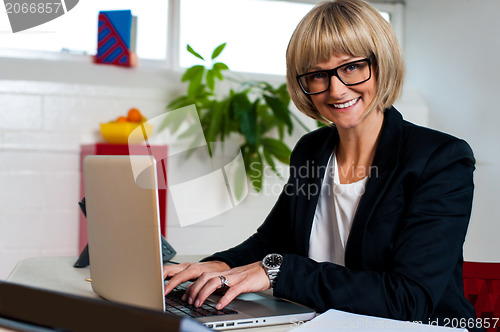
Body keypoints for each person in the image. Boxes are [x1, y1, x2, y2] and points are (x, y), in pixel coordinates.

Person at [164, 0, 479, 329]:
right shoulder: (311, 150)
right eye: (317, 75)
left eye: (352, 67)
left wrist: (278, 272)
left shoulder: (441, 159)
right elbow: (272, 241)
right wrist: (219, 264)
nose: (336, 88)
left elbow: (408, 299)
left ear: (381, 63)